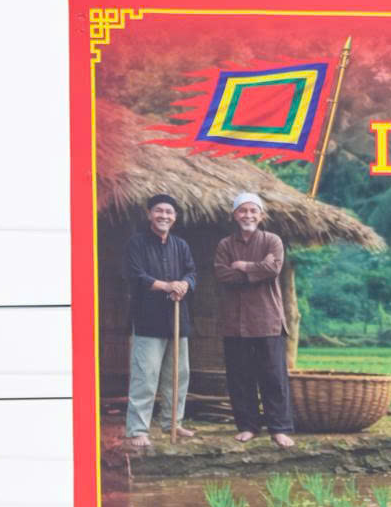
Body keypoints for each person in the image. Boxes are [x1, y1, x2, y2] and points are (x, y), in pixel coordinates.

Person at [212, 191, 293, 446]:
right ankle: (247, 426)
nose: (248, 215)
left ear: (261, 215)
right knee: (240, 377)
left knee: (273, 377)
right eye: (243, 211)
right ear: (235, 215)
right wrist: (258, 268)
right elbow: (223, 275)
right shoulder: (225, 245)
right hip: (235, 323)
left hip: (267, 320)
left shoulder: (272, 241)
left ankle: (279, 428)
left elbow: (273, 269)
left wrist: (243, 266)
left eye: (253, 211)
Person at [124, 193, 196, 450]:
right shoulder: (137, 243)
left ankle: (172, 422)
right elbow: (136, 275)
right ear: (149, 214)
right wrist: (166, 285)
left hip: (178, 319)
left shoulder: (181, 245)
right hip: (148, 320)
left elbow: (191, 272)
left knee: (178, 375)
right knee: (146, 376)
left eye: (169, 212)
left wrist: (184, 285)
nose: (164, 215)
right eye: (159, 211)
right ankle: (137, 429)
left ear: (174, 217)